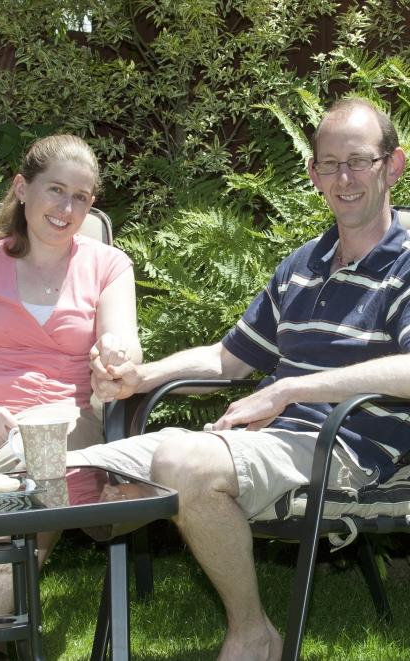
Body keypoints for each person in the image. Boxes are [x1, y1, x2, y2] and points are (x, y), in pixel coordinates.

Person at [68, 97, 410, 661]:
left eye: (358, 161)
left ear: (392, 166)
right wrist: (139, 377)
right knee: (65, 469)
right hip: (267, 441)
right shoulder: (302, 264)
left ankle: (253, 633)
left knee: (180, 463)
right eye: (329, 163)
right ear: (313, 173)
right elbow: (231, 360)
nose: (343, 178)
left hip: (345, 444)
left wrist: (288, 389)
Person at [0, 134, 141, 660]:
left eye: (81, 197)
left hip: (57, 419)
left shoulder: (108, 266)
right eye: (55, 190)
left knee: (34, 463)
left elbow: (122, 340)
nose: (67, 209)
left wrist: (115, 353)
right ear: (22, 188)